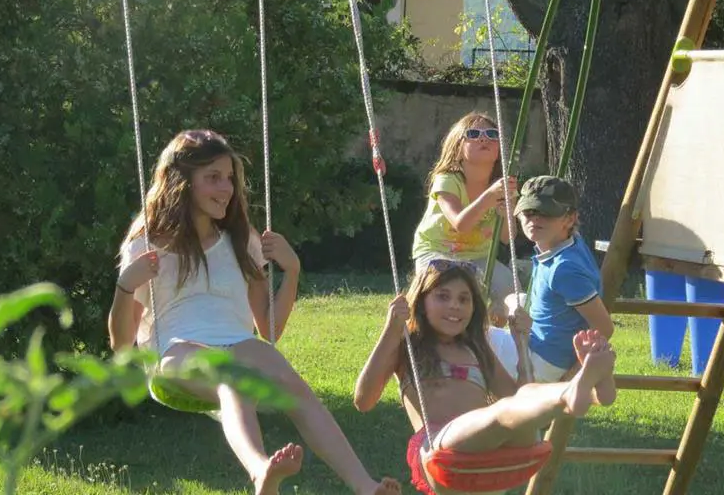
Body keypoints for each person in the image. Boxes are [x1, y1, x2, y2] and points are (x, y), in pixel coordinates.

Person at [108, 129, 400, 495]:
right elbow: (121, 346)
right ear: (182, 182)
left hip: (237, 343)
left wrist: (292, 271)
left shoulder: (241, 240)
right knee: (233, 374)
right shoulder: (148, 246)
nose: (226, 188)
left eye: (229, 178)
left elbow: (269, 328)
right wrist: (125, 285)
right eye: (213, 177)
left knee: (287, 379)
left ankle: (365, 486)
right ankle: (260, 469)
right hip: (176, 351)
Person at [354, 261, 616, 495]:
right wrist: (391, 330)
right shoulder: (406, 348)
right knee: (501, 413)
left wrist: (521, 345)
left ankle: (583, 391)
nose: (455, 305)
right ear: (420, 302)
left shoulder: (477, 350)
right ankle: (579, 391)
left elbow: (518, 401)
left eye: (464, 299)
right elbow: (363, 400)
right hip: (442, 451)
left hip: (495, 455)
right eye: (443, 296)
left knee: (519, 403)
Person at [411, 112, 518, 326]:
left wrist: (507, 211)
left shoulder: (501, 185)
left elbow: (507, 237)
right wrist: (488, 198)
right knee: (445, 290)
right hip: (437, 251)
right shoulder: (447, 180)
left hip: (478, 255)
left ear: (499, 149)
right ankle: (425, 332)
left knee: (509, 288)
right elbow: (461, 224)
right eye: (473, 134)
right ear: (457, 147)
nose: (483, 138)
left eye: (491, 134)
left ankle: (487, 335)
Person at [512, 175, 614, 383]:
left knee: (470, 344)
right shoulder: (570, 242)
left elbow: (604, 327)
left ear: (570, 218)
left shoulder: (564, 268)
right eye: (528, 213)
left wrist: (570, 379)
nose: (535, 220)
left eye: (546, 213)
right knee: (512, 301)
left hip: (544, 360)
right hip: (541, 346)